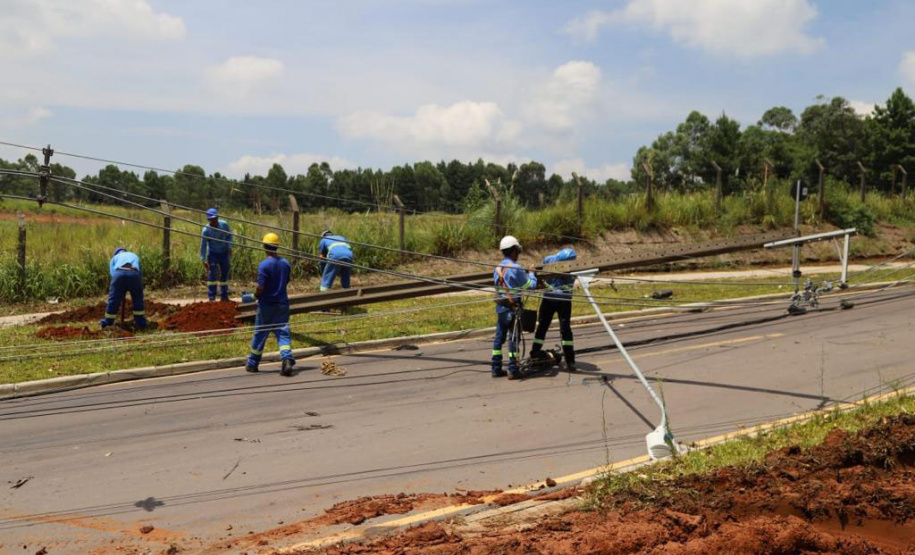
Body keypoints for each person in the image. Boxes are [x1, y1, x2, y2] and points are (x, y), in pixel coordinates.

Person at [246, 233, 295, 376]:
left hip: (266, 305)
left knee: (260, 334)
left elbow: (261, 288)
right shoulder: (285, 263)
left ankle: (253, 364)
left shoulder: (264, 265)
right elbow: (287, 280)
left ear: (264, 247)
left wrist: (254, 296)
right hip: (282, 304)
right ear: (277, 246)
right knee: (283, 332)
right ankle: (286, 359)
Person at [492, 235, 537, 380]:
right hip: (512, 309)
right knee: (513, 339)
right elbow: (529, 286)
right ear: (513, 250)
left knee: (499, 338)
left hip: (501, 308)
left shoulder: (497, 269)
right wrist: (531, 274)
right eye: (517, 250)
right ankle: (513, 369)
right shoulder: (516, 268)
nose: (518, 254)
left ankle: (496, 368)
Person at [530, 247, 577, 371]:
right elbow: (540, 273)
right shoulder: (549, 260)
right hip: (548, 300)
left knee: (565, 330)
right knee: (542, 327)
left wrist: (548, 286)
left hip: (564, 302)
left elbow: (567, 289)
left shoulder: (573, 268)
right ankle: (534, 354)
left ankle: (570, 360)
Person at [100, 247, 147, 330]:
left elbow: (112, 273)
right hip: (134, 274)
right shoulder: (134, 255)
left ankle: (108, 322)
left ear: (116, 253)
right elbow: (140, 272)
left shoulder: (114, 258)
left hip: (119, 274)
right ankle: (140, 323)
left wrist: (119, 287)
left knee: (113, 300)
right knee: (137, 299)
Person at [200, 208, 233, 302]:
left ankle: (224, 296)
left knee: (224, 274)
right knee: (212, 275)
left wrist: (230, 247)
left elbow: (229, 235)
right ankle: (212, 298)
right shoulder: (206, 230)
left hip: (224, 252)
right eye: (212, 219)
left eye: (215, 219)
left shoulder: (224, 224)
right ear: (208, 220)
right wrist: (203, 259)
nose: (214, 221)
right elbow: (203, 245)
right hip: (213, 254)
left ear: (218, 217)